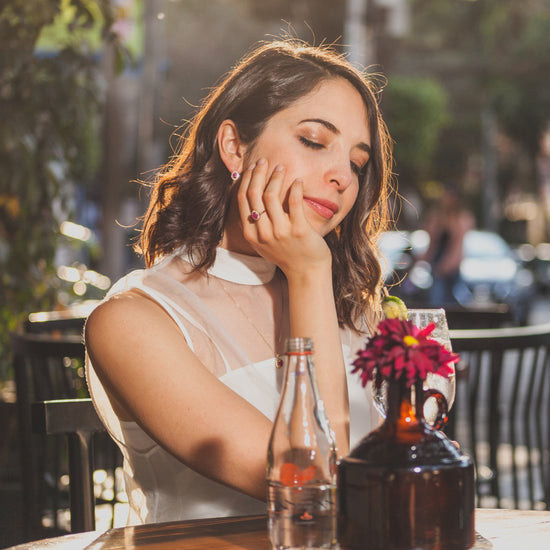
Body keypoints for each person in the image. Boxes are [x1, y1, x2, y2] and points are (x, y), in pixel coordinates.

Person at [85, 39, 394, 525]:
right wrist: (310, 272)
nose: (341, 176)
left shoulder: (343, 308)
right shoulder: (133, 322)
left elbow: (391, 481)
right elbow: (314, 486)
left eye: (357, 162)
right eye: (313, 140)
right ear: (234, 147)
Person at [421, 187, 475, 307]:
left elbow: (457, 246)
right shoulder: (437, 216)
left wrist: (448, 265)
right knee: (437, 299)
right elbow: (433, 242)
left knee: (446, 300)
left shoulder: (462, 218)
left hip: (450, 266)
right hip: (437, 263)